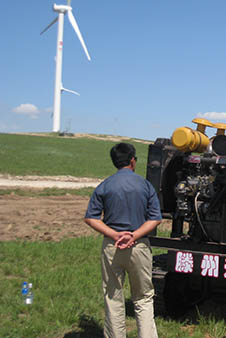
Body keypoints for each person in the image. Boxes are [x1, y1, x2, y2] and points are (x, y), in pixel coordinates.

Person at [84, 142, 162, 338]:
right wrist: (134, 235)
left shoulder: (105, 185)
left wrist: (114, 234)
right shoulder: (145, 185)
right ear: (133, 161)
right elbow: (155, 219)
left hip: (112, 247)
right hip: (139, 246)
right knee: (143, 298)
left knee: (113, 297)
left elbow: (91, 218)